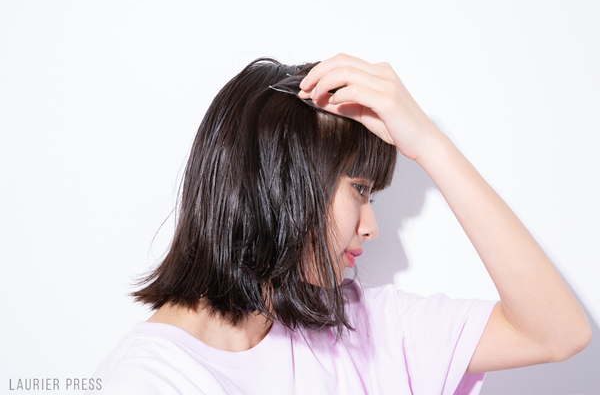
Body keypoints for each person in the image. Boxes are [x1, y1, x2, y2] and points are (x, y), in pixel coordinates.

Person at [88, 54, 591, 394]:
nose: (371, 227)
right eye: (360, 190)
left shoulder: (359, 324)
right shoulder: (150, 380)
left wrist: (429, 145)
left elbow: (556, 333)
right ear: (284, 180)